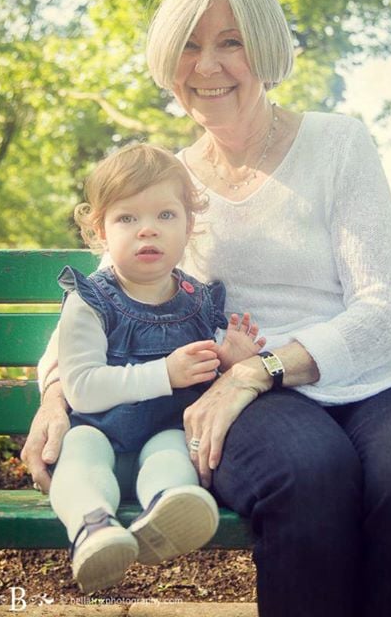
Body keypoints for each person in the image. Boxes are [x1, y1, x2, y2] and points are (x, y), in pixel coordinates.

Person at [22, 0, 391, 617]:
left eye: (231, 42)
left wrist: (257, 370)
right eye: (189, 45)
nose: (207, 66)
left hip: (378, 376)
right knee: (308, 476)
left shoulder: (339, 144)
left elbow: (380, 310)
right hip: (255, 401)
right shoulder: (168, 184)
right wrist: (56, 394)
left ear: (266, 47)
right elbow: (103, 297)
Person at [48, 142, 266, 593]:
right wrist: (163, 373)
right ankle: (94, 527)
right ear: (101, 231)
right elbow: (81, 387)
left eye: (165, 215)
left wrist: (230, 358)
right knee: (80, 455)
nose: (147, 230)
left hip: (163, 434)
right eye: (127, 218)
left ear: (189, 227)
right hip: (99, 433)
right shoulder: (90, 301)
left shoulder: (199, 299)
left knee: (174, 453)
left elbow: (207, 374)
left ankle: (165, 513)